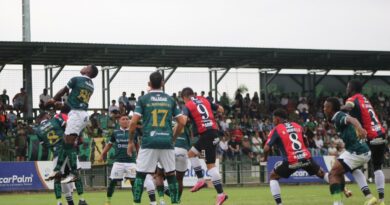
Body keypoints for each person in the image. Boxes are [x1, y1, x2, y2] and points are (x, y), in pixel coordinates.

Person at [127, 71, 186, 205]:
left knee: (140, 174)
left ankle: (136, 203)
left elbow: (133, 123)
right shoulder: (170, 100)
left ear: (149, 84)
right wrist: (173, 138)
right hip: (167, 142)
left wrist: (130, 141)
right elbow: (182, 122)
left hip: (149, 141)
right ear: (162, 83)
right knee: (171, 175)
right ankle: (176, 202)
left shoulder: (143, 99)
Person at [46, 64, 99, 205]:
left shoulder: (76, 79)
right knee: (66, 144)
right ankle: (59, 171)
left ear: (89, 71)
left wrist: (52, 99)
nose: (83, 67)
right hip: (80, 115)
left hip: (76, 115)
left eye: (86, 66)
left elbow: (63, 91)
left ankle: (73, 173)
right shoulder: (91, 84)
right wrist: (58, 104)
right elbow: (69, 105)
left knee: (68, 144)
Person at [262, 108, 329, 205]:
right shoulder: (297, 126)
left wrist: (264, 159)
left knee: (273, 177)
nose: (273, 121)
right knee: (323, 174)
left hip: (292, 161)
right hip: (306, 158)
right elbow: (306, 142)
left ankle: (279, 204)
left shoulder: (276, 129)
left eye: (273, 119)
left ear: (277, 119)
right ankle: (338, 198)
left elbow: (266, 148)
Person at [324, 97, 377, 205]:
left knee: (333, 174)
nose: (324, 109)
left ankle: (337, 203)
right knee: (350, 170)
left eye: (326, 107)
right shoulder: (334, 118)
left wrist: (360, 129)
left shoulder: (338, 116)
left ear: (332, 108)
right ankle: (370, 197)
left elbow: (353, 120)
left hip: (356, 151)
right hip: (361, 150)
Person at [342, 79, 387, 205]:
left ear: (352, 88)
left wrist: (338, 109)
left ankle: (369, 196)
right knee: (377, 167)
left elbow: (349, 107)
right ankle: (382, 200)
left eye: (347, 87)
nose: (346, 89)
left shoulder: (352, 98)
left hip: (369, 136)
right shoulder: (365, 99)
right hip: (380, 133)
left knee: (354, 167)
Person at [180, 87, 228, 205]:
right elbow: (221, 109)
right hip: (214, 132)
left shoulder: (188, 105)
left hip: (206, 134)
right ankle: (215, 190)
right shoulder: (203, 100)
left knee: (202, 161)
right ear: (193, 94)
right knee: (199, 158)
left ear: (184, 98)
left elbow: (184, 120)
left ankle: (209, 186)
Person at [99, 114, 156, 205]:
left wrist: (139, 157)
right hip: (118, 162)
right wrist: (102, 154)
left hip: (131, 162)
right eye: (123, 119)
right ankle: (108, 200)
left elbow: (137, 146)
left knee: (134, 183)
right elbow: (109, 145)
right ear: (119, 121)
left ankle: (135, 202)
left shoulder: (134, 132)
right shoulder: (115, 132)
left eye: (127, 119)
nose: (125, 120)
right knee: (112, 182)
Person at [36, 112, 75, 205]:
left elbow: (44, 146)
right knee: (71, 174)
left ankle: (59, 202)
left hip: (57, 153)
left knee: (58, 178)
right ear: (45, 116)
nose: (50, 116)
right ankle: (73, 201)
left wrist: (53, 146)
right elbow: (67, 127)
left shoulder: (38, 130)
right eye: (48, 115)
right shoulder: (55, 120)